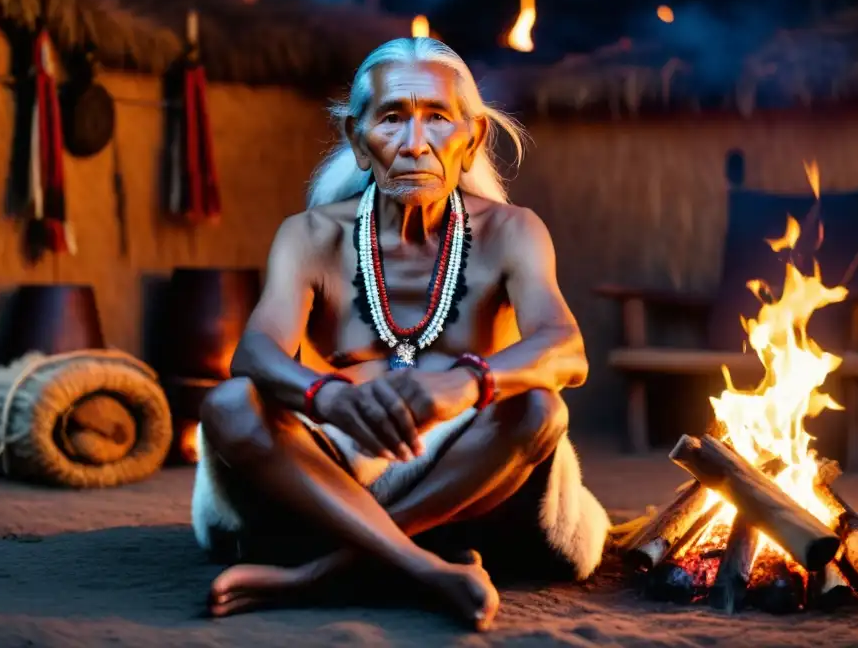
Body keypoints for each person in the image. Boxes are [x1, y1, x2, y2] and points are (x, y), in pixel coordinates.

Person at [192, 37, 609, 631]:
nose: (415, 145)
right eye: (392, 119)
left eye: (437, 118)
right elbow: (255, 352)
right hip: (333, 462)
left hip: (470, 473)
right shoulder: (311, 236)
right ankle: (427, 567)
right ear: (358, 142)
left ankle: (322, 573)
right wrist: (327, 395)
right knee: (230, 403)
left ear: (473, 138)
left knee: (540, 409)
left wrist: (467, 384)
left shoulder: (512, 232)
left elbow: (566, 349)